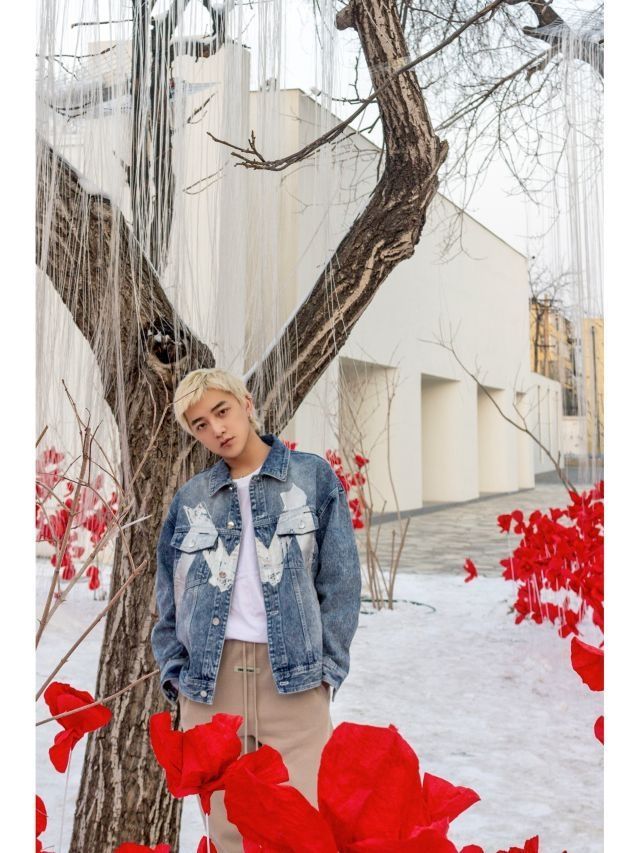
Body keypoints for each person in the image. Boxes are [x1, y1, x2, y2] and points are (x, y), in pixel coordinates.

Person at [151, 367, 361, 852]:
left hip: (295, 681)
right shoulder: (191, 499)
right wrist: (177, 677)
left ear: (246, 403)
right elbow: (169, 595)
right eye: (201, 424)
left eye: (221, 411)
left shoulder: (312, 478)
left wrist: (327, 672)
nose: (217, 429)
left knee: (304, 825)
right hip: (211, 684)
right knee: (227, 831)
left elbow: (342, 583)